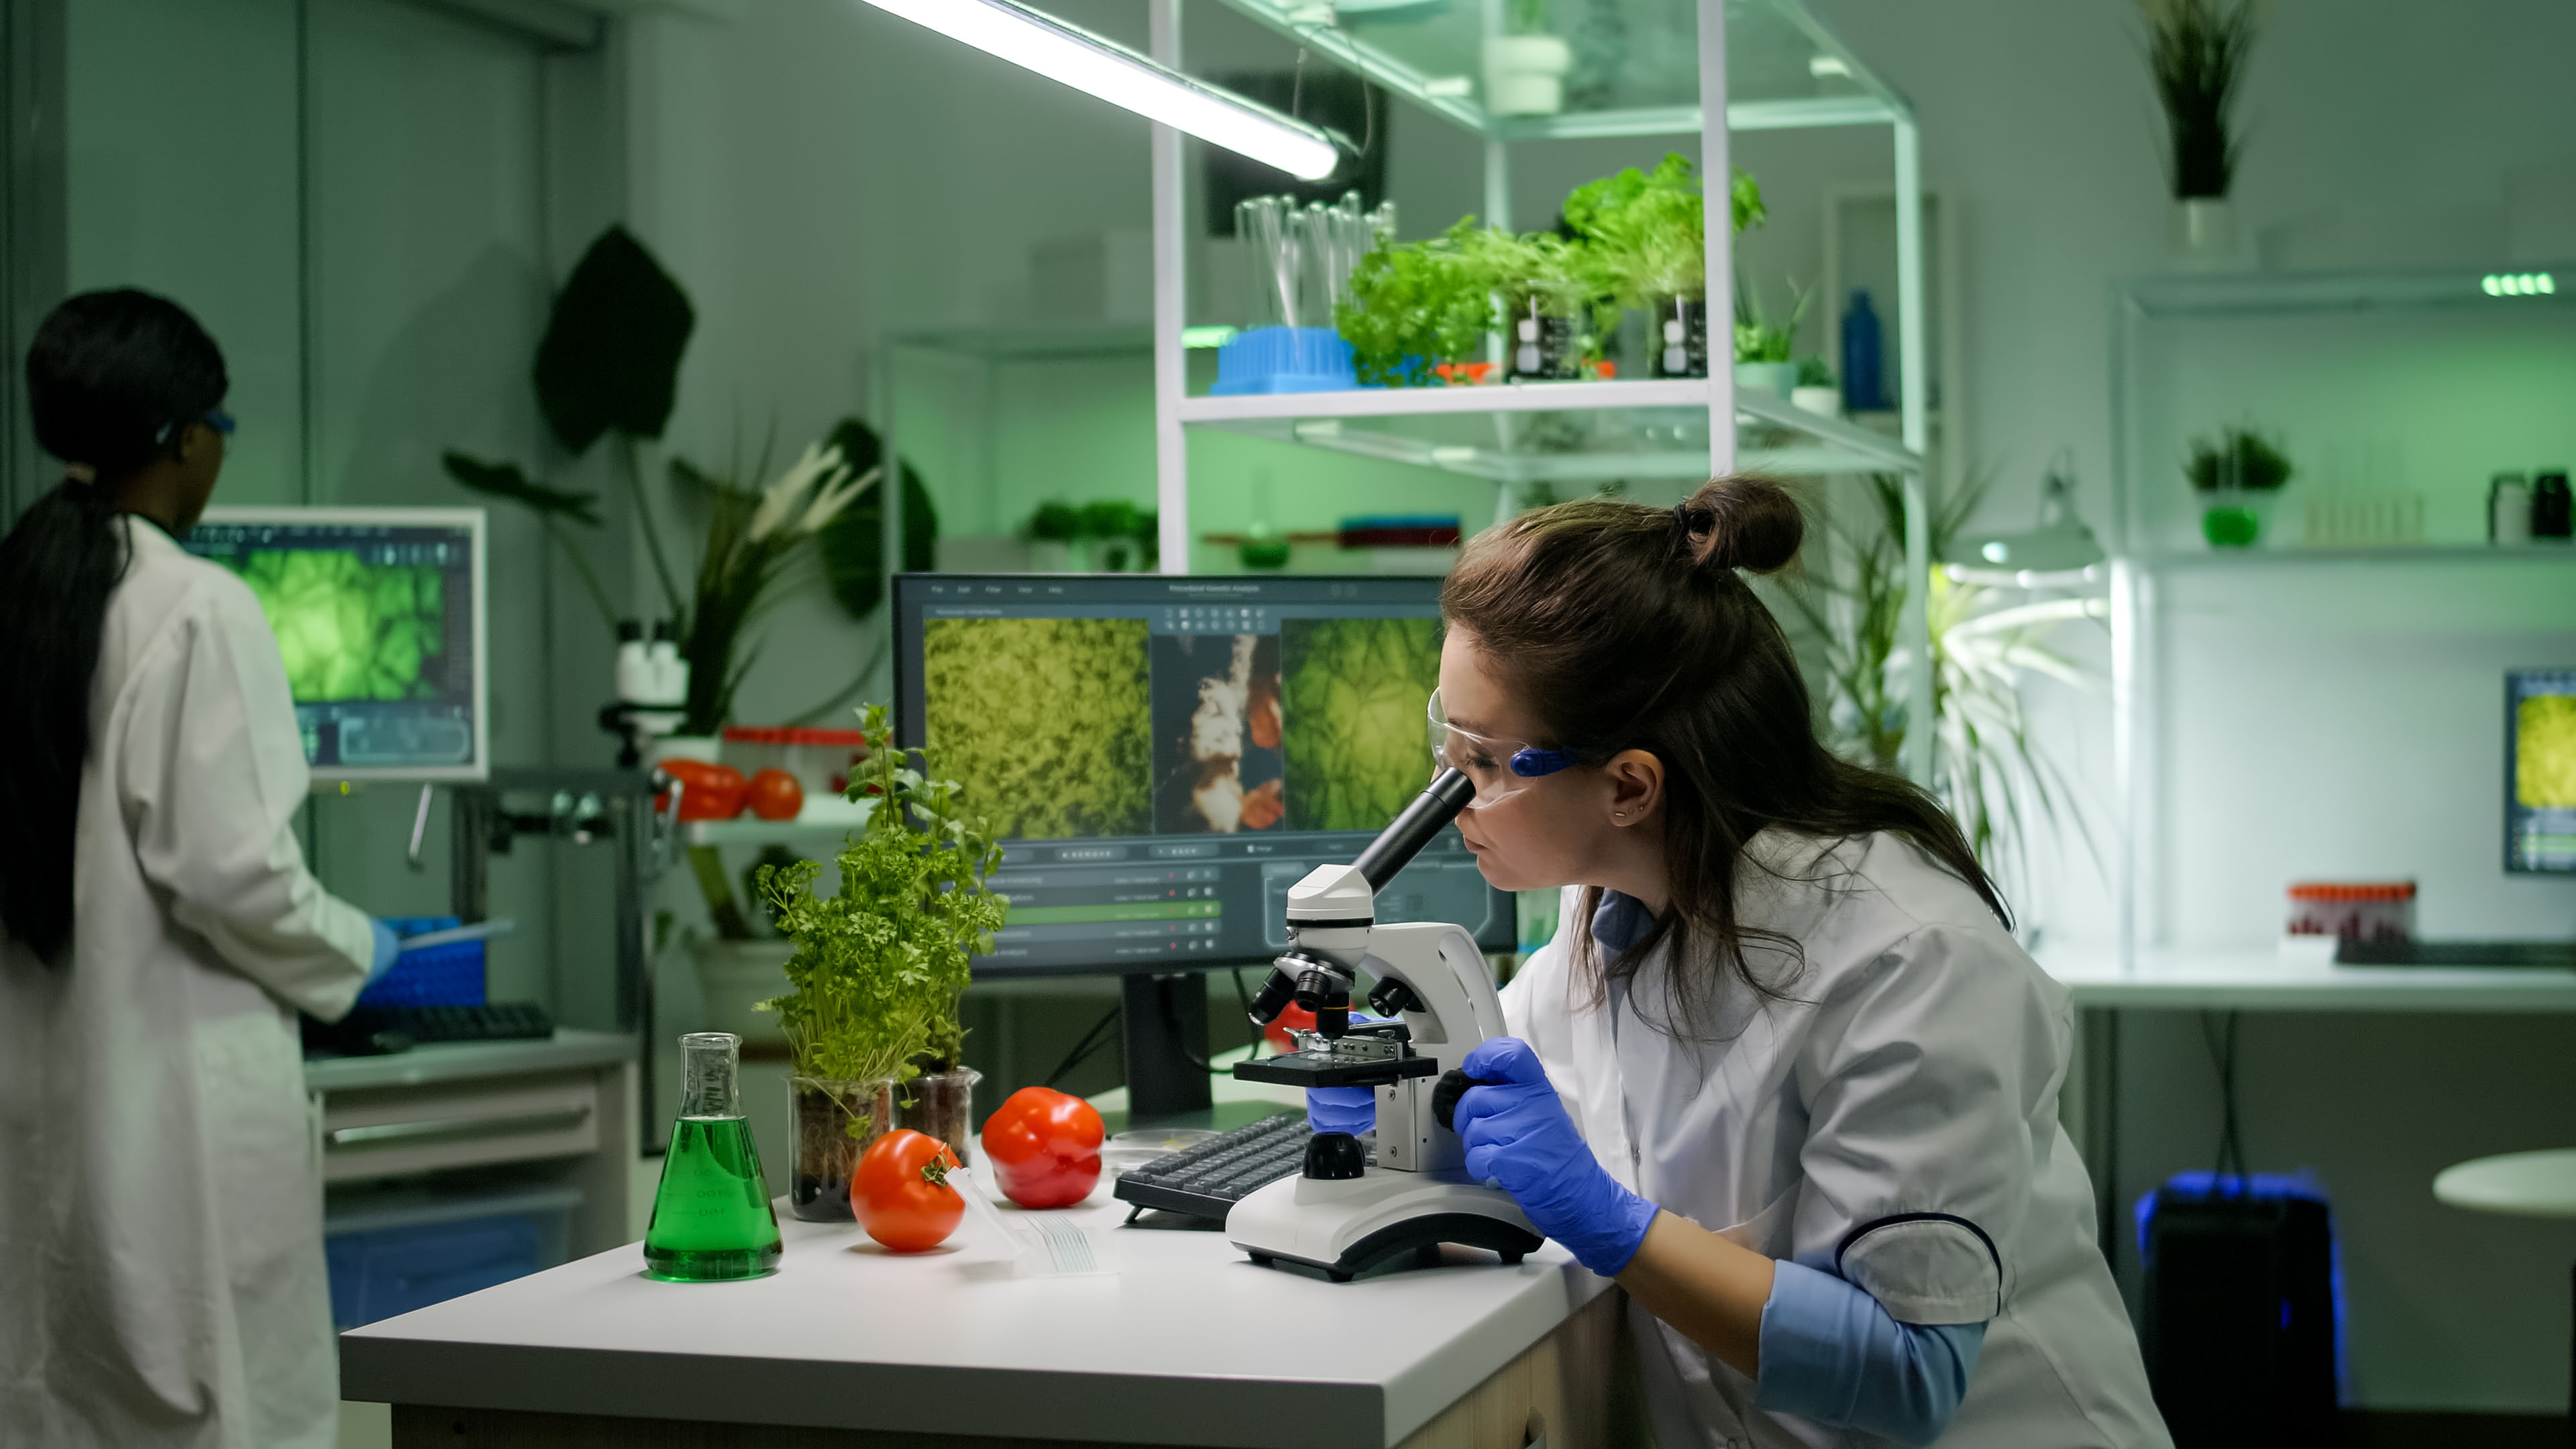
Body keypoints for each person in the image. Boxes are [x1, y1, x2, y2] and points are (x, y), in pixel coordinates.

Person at [1320, 475, 2168, 1446]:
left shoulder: (1912, 962)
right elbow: (1512, 1084)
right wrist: (1402, 1093)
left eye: (1481, 761)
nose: (1448, 794)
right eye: (1448, 739)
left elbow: (1910, 1370)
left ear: (1631, 786)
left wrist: (1614, 1224)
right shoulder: (1609, 906)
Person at [0, 290, 400, 1448]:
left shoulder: (19, 588)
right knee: (213, 1396)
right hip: (171, 1104)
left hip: (39, 1091)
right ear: (185, 437)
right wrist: (363, 951)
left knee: (53, 1390)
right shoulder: (193, 608)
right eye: (220, 423)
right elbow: (232, 875)